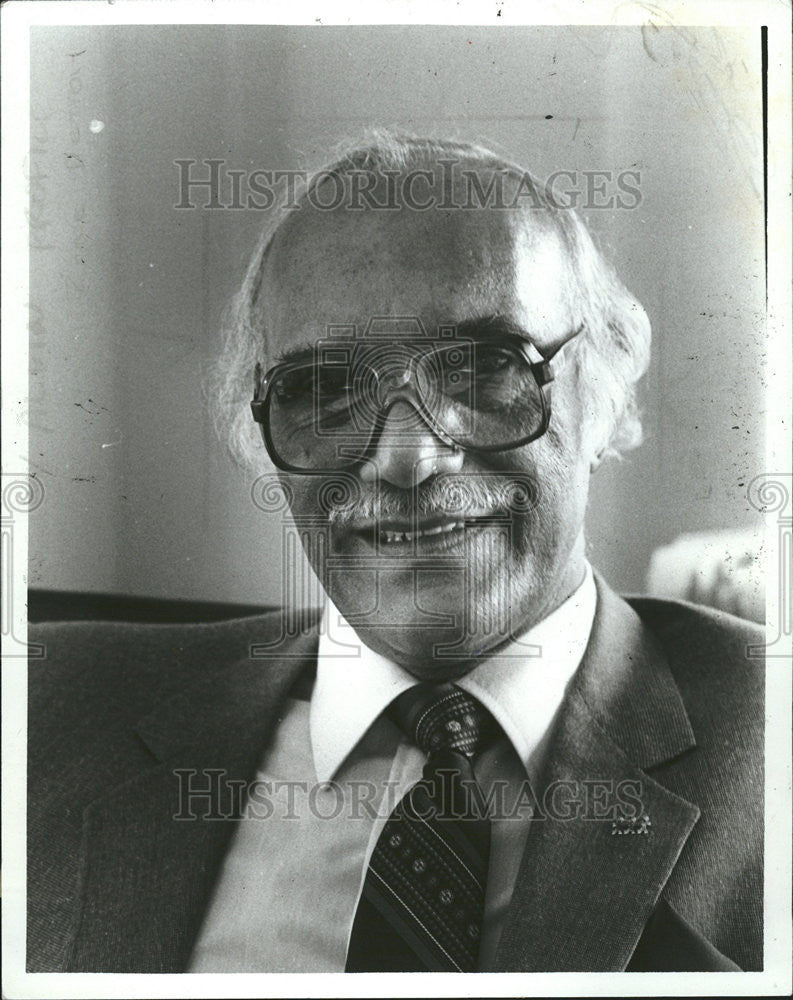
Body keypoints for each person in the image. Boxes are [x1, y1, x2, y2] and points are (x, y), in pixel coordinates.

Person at [27, 133, 763, 974]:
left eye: (486, 370)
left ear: (602, 398)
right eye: (327, 389)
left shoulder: (766, 736)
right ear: (258, 430)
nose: (407, 458)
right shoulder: (44, 709)